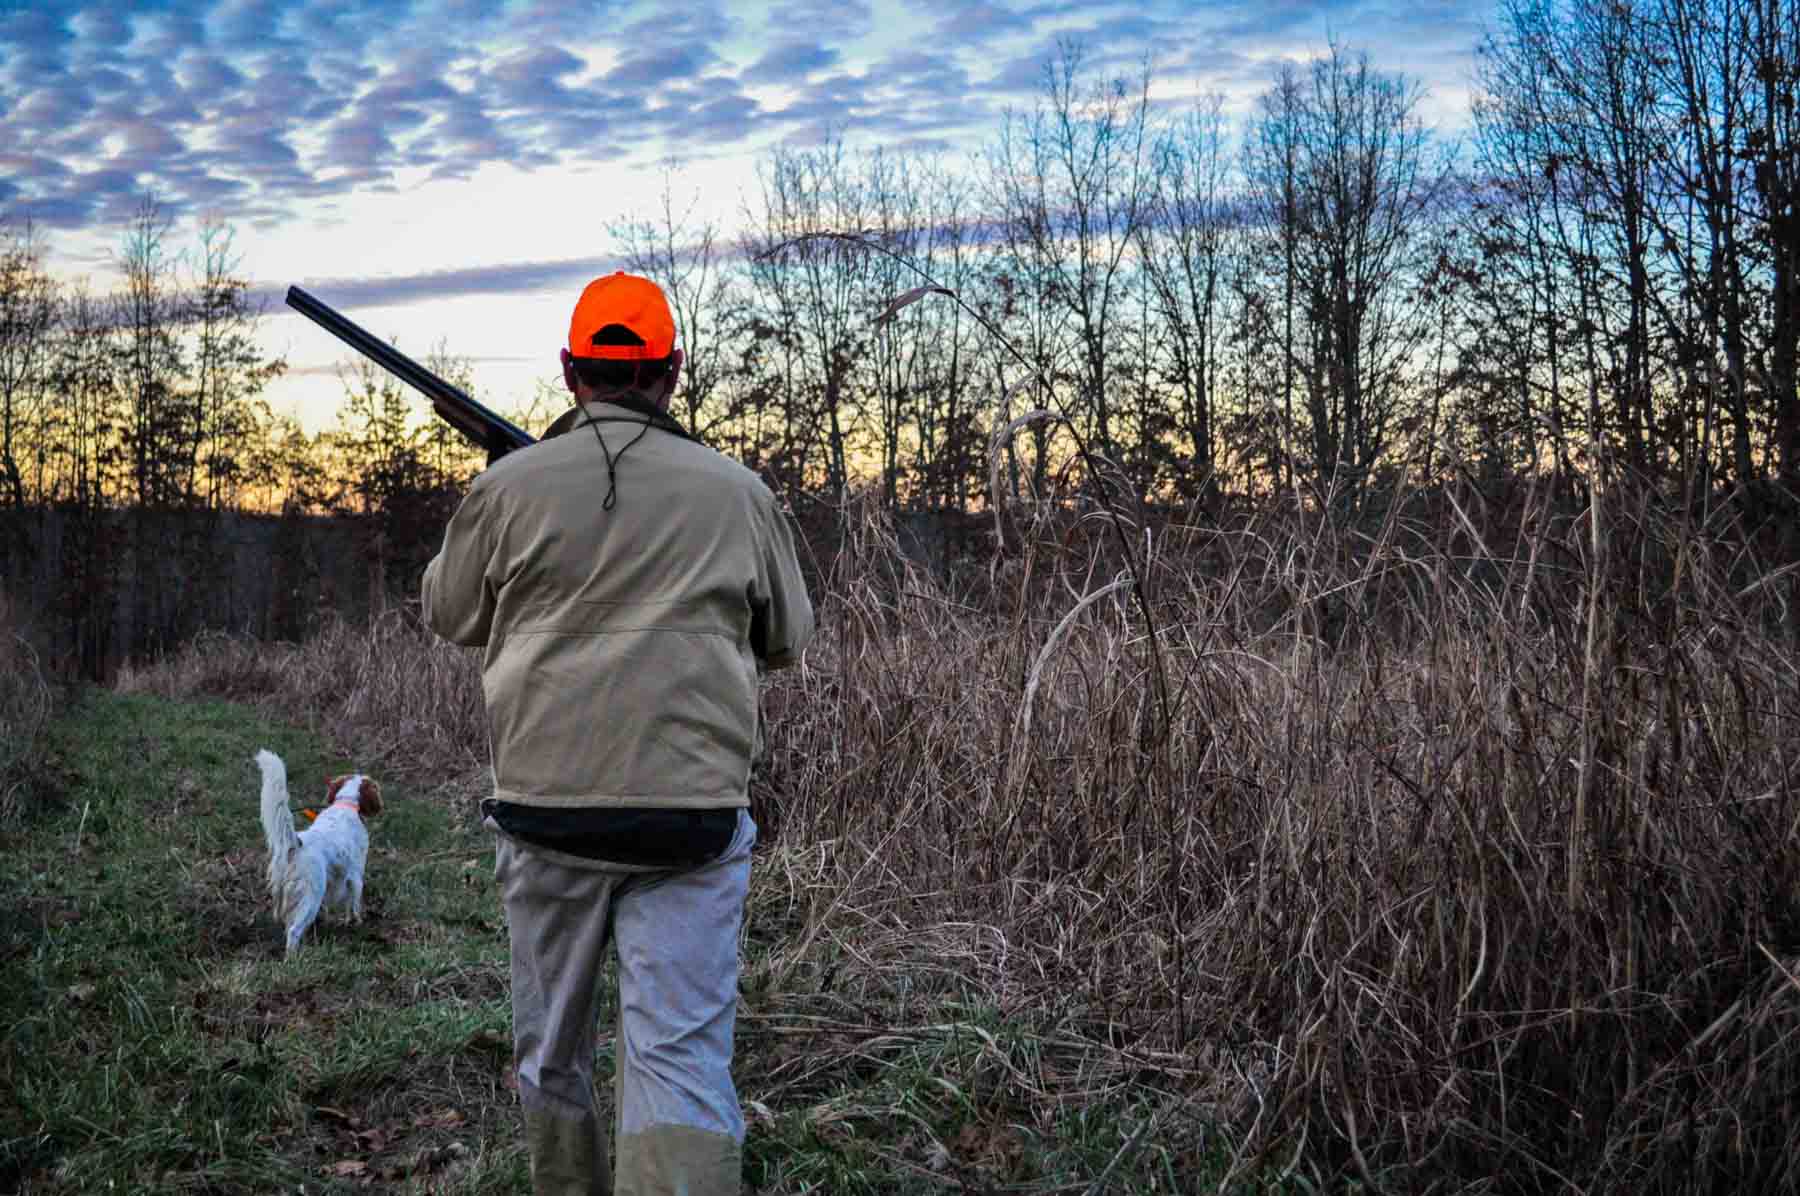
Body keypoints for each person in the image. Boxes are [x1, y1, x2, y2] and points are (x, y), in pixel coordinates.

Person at [421, 271, 814, 1196]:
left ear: (570, 372)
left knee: (551, 1051)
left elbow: (449, 612)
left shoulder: (510, 488)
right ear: (672, 372)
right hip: (691, 827)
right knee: (677, 1058)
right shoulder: (739, 494)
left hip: (545, 818)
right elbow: (787, 639)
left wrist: (498, 493)